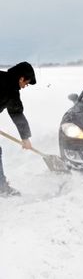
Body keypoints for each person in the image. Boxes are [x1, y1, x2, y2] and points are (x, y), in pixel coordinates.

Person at [0, 62, 36, 196]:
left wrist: (25, 136)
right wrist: (25, 138)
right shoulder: (10, 89)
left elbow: (15, 112)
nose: (25, 86)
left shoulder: (6, 83)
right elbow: (17, 114)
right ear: (21, 78)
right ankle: (1, 188)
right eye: (26, 83)